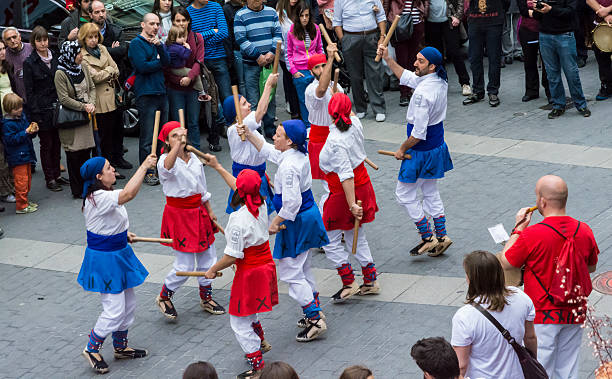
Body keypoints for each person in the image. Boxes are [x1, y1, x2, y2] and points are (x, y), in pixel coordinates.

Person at [499, 175, 600, 379]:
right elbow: (591, 267)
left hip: (543, 313)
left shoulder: (532, 234)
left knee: (542, 369)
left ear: (542, 201)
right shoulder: (584, 230)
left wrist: (518, 228)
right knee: (568, 368)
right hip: (575, 310)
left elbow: (506, 261)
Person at [240, 118, 329, 342]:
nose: (274, 137)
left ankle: (315, 318)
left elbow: (291, 204)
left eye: (278, 135)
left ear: (289, 141)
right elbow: (270, 152)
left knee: (290, 270)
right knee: (303, 266)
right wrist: (250, 134)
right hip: (305, 217)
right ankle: (313, 309)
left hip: (296, 219)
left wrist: (274, 222)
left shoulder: (289, 167)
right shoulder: (295, 155)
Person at [77, 155, 156, 374]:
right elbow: (129, 194)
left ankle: (121, 347)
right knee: (114, 309)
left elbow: (108, 220)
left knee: (129, 304)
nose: (113, 170)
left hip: (118, 252)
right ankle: (91, 349)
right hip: (105, 259)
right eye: (109, 168)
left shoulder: (106, 194)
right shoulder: (98, 196)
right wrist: (144, 167)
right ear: (98, 176)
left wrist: (123, 234)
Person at [202, 163, 278, 379]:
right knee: (250, 309)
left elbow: (232, 256)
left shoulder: (237, 219)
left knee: (238, 319)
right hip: (264, 264)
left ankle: (258, 366)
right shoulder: (262, 203)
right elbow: (241, 186)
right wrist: (217, 166)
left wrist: (212, 269)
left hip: (251, 270)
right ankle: (260, 341)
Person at [379, 45, 453, 256]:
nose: (415, 63)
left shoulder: (422, 94)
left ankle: (427, 237)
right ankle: (441, 235)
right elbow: (409, 77)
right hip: (436, 145)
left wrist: (401, 149)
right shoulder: (440, 79)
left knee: (403, 195)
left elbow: (419, 133)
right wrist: (388, 59)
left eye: (420, 61)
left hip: (420, 151)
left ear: (431, 66)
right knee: (430, 191)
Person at [155, 121, 226, 320]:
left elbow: (202, 188)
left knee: (208, 257)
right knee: (184, 266)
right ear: (167, 142)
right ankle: (164, 296)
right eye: (174, 136)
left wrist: (210, 210)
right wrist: (178, 144)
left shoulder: (194, 157)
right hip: (179, 215)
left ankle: (206, 297)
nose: (179, 139)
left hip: (198, 211)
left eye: (181, 134)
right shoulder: (163, 161)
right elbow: (168, 167)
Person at [319, 93, 380, 301]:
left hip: (343, 191)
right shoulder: (354, 122)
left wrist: (352, 204)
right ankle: (370, 279)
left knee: (328, 238)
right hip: (360, 184)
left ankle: (348, 281)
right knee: (356, 234)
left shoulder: (336, 140)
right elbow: (348, 113)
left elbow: (345, 175)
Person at [452, 251, 536, 378]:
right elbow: (530, 338)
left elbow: (461, 365)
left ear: (471, 279)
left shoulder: (464, 316)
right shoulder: (520, 297)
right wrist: (533, 361)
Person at [221, 74, 277, 216]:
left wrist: (265, 176)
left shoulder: (249, 129)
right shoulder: (236, 130)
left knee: (264, 218)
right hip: (246, 181)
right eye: (244, 104)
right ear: (236, 114)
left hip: (259, 177)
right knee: (248, 218)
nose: (249, 105)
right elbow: (260, 112)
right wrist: (268, 85)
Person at [79, 23, 127, 181]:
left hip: (111, 97)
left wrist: (107, 71)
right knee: (101, 138)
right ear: (84, 39)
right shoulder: (83, 56)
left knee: (112, 135)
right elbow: (95, 77)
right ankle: (100, 170)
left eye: (95, 36)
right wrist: (109, 71)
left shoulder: (103, 48)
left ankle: (111, 166)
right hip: (98, 101)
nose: (93, 40)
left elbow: (117, 69)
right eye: (89, 37)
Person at [23, 26, 67, 193]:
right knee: (46, 144)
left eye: (45, 39)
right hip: (42, 109)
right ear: (34, 42)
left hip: (56, 106)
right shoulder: (29, 63)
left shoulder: (54, 56)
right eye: (39, 40)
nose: (43, 43)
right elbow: (29, 91)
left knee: (57, 143)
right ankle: (50, 177)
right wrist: (35, 113)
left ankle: (57, 174)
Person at [128, 13, 170, 185]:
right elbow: (142, 67)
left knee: (162, 135)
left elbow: (167, 61)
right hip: (146, 94)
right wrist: (158, 62)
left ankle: (160, 167)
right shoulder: (136, 44)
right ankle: (148, 171)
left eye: (157, 24)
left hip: (161, 92)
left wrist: (160, 49)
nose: (155, 27)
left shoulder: (157, 42)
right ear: (142, 25)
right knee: (147, 137)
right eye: (151, 24)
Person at [531, 0, 591, 119]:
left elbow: (571, 12)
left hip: (565, 34)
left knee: (571, 72)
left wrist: (551, 10)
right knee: (552, 74)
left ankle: (581, 104)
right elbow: (537, 16)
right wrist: (537, 9)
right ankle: (558, 105)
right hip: (545, 35)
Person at [234, 0, 283, 138]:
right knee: (253, 98)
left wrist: (272, 52)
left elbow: (277, 34)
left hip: (269, 63)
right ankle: (255, 129)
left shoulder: (272, 12)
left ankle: (269, 127)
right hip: (251, 63)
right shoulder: (241, 15)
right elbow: (240, 38)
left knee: (270, 96)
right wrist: (257, 55)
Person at [54, 40, 96, 198]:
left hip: (86, 118)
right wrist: (83, 106)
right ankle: (78, 190)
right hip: (71, 119)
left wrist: (91, 103)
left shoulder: (83, 66)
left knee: (86, 153)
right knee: (74, 156)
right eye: (78, 53)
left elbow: (91, 87)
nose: (81, 56)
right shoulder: (60, 73)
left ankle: (89, 186)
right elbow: (64, 99)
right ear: (70, 55)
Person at [188, 0, 231, 151]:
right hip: (201, 61)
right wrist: (213, 31)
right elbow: (192, 38)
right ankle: (219, 125)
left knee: (226, 95)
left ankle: (230, 126)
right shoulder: (189, 11)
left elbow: (224, 32)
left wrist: (201, 40)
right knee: (210, 97)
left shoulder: (216, 7)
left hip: (219, 58)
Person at [333, 0, 387, 121]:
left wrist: (382, 37)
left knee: (374, 73)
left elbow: (381, 16)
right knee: (355, 75)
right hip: (350, 37)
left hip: (371, 35)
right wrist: (344, 41)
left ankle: (379, 108)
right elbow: (337, 22)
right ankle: (361, 108)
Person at [304, 46, 341, 214]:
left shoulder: (336, 85)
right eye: (317, 67)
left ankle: (339, 219)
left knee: (342, 182)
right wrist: (331, 59)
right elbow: (321, 90)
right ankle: (326, 219)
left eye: (323, 65)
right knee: (331, 187)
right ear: (311, 72)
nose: (321, 70)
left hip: (337, 137)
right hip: (320, 140)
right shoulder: (311, 89)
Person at [164, 8, 207, 151]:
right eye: (178, 20)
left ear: (189, 21)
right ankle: (180, 152)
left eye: (184, 20)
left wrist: (189, 77)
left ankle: (196, 151)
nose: (181, 23)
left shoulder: (197, 37)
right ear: (173, 22)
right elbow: (166, 66)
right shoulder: (169, 40)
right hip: (175, 88)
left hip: (193, 86)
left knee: (193, 122)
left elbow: (199, 62)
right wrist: (178, 80)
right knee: (178, 124)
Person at [383, 0, 429, 106]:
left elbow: (425, 2)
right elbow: (386, 4)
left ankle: (412, 89)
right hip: (399, 25)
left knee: (413, 59)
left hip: (417, 24)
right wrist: (386, 22)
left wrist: (424, 12)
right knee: (402, 60)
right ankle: (404, 93)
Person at [461, 0, 507, 107]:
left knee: (494, 57)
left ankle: (493, 91)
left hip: (494, 21)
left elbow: (506, 2)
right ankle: (478, 91)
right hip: (474, 21)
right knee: (474, 57)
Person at [423, 0, 472, 96]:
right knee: (436, 55)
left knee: (455, 52)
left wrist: (458, 16)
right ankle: (441, 83)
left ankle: (465, 83)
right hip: (431, 22)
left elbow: (460, 2)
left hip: (449, 21)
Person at [286, 2, 323, 126]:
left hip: (315, 70)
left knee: (317, 99)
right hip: (300, 71)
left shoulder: (315, 28)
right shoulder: (291, 30)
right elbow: (288, 53)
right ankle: (308, 125)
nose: (305, 18)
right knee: (303, 101)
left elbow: (320, 49)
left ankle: (319, 123)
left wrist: (321, 67)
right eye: (302, 16)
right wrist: (294, 71)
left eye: (307, 15)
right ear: (298, 16)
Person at [1, 93, 38, 214]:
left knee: (27, 179)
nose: (20, 109)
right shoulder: (7, 124)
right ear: (9, 110)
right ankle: (21, 205)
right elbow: (11, 140)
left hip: (25, 153)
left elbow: (26, 130)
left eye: (20, 106)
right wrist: (26, 132)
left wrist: (32, 130)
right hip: (17, 156)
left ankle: (24, 200)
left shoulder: (21, 117)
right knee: (21, 181)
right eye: (16, 108)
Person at [516, 0, 550, 103]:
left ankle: (550, 90)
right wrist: (539, 14)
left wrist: (536, 13)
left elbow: (550, 9)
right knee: (529, 61)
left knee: (548, 62)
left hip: (546, 28)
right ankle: (531, 90)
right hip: (527, 29)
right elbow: (523, 11)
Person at [276, 0, 301, 120]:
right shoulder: (278, 13)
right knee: (290, 83)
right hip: (285, 56)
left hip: (302, 55)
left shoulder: (302, 9)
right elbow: (277, 36)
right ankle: (295, 113)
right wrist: (286, 49)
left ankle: (303, 112)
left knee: (301, 83)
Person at [0, 40, 16, 205]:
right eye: (0, 50)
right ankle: (5, 191)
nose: (3, 52)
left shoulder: (7, 67)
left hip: (9, 116)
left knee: (10, 154)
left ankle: (12, 187)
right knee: (1, 159)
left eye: (3, 48)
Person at [587, 0, 612, 101]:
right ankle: (607, 86)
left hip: (605, 13)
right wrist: (603, 14)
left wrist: (608, 10)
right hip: (600, 22)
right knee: (602, 57)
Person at [224, 0, 248, 96]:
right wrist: (230, 56)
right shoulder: (227, 9)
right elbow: (227, 35)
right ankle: (247, 108)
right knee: (242, 82)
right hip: (237, 50)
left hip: (253, 50)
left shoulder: (249, 6)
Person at [2, 27, 33, 103]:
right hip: (19, 101)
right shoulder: (4, 56)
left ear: (19, 37)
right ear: (5, 42)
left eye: (14, 37)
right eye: (8, 39)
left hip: (37, 96)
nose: (12, 41)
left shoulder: (32, 48)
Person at [502, 0, 523, 65]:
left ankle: (518, 51)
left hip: (518, 3)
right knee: (506, 29)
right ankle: (508, 53)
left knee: (518, 27)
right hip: (504, 4)